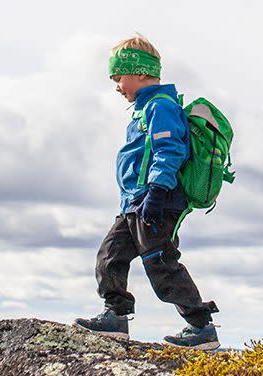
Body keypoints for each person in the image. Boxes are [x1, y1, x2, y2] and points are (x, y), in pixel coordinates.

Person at [73, 35, 220, 350]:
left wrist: (156, 190)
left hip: (158, 201)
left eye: (119, 77)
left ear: (140, 72)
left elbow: (170, 151)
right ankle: (115, 316)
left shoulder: (161, 107)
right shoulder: (141, 111)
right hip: (133, 203)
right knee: (109, 256)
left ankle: (201, 327)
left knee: (160, 263)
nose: (116, 85)